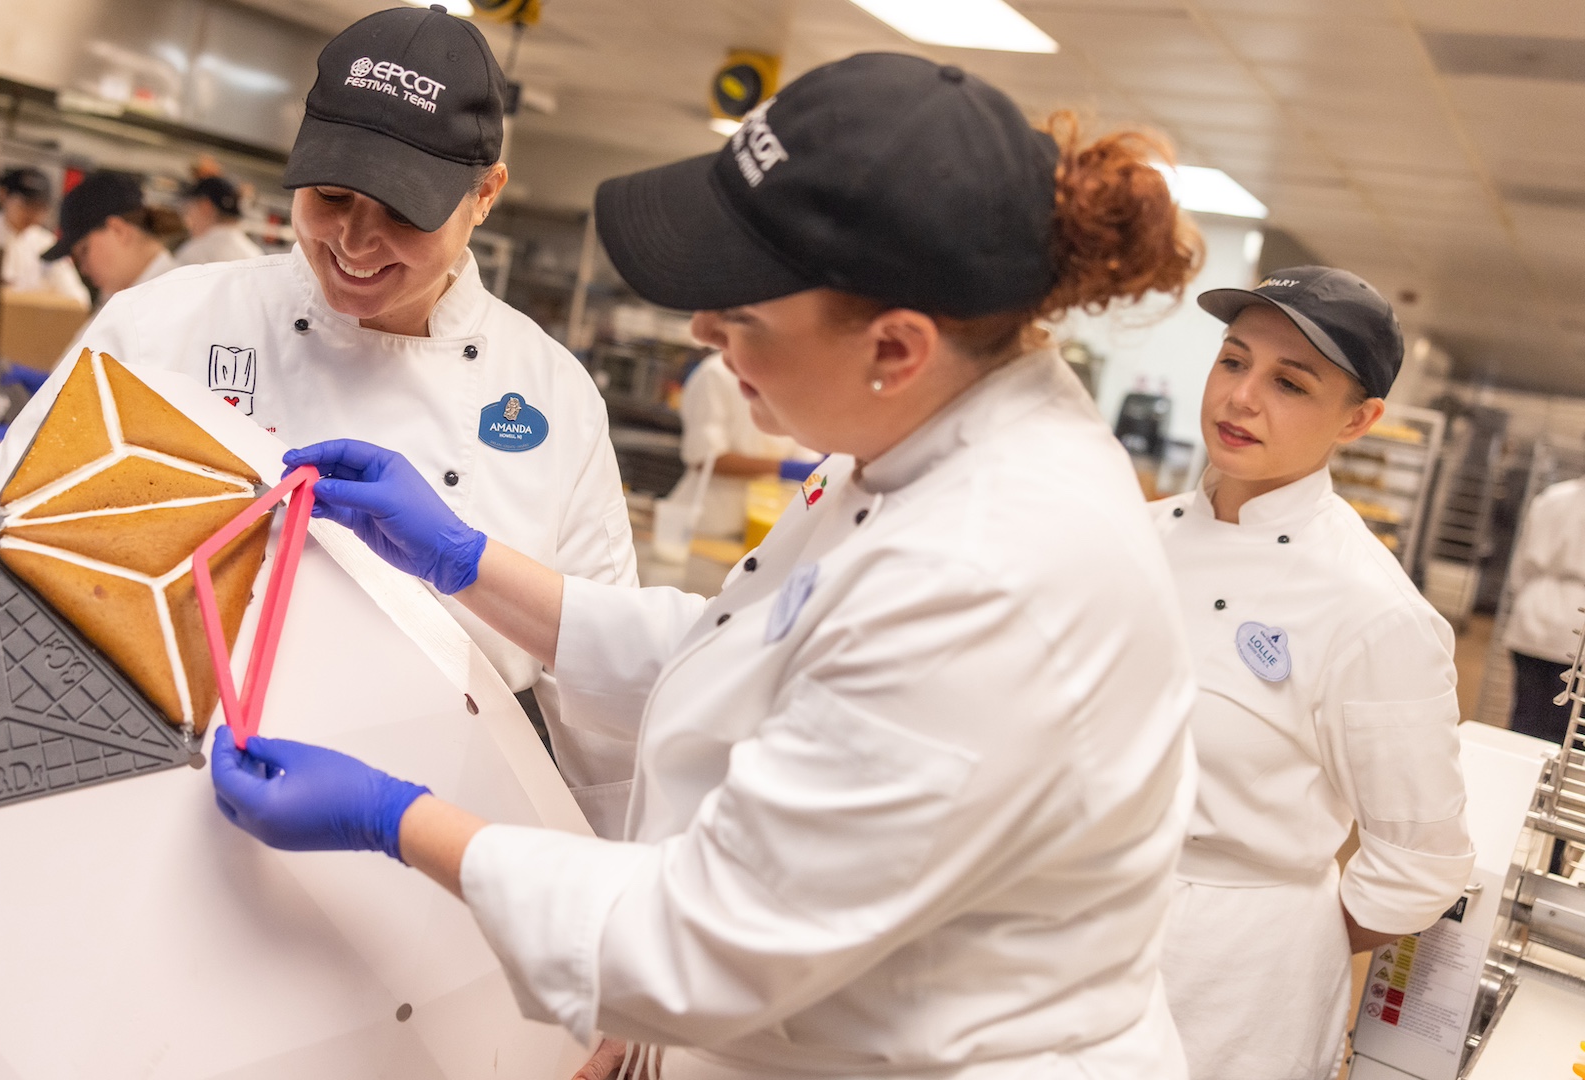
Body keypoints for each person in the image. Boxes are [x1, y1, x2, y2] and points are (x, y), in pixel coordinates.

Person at [213, 54, 1206, 1079]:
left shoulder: (991, 573)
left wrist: (398, 820)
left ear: (897, 347)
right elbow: (747, 652)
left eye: (740, 316)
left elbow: (710, 943)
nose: (700, 334)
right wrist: (467, 564)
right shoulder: (913, 436)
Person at [0, 4, 635, 1010]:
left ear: (486, 196)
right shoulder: (170, 326)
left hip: (418, 914)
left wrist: (613, 956)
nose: (358, 242)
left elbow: (604, 707)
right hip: (138, 849)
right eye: (331, 195)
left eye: (407, 211)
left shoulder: (548, 400)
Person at [1152, 267, 1476, 1079]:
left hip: (1231, 992)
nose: (1241, 397)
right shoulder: (1139, 536)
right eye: (1233, 361)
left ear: (1359, 420)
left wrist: (1271, 929)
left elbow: (1422, 861)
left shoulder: (1373, 611)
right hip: (1073, 930)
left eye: (1289, 382)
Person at [668, 352, 820, 539]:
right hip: (707, 524)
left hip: (764, 527)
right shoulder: (717, 373)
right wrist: (784, 468)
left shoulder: (799, 381)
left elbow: (808, 455)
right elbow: (705, 457)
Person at [1502, 474, 1585, 742]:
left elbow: (1520, 568)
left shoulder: (1551, 497)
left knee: (1525, 721)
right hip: (1576, 628)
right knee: (1568, 734)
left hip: (1532, 613)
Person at [41, 170, 180, 305]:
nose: (83, 268)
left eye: (84, 250)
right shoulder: (126, 297)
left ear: (118, 230)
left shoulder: (173, 302)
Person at [0, 167, 92, 305]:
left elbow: (79, 298)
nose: (32, 213)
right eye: (26, 204)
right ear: (3, 195)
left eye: (40, 208)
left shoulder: (47, 244)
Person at [174, 174, 266, 266]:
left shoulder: (194, 253)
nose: (187, 219)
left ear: (205, 206)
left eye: (188, 210)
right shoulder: (255, 254)